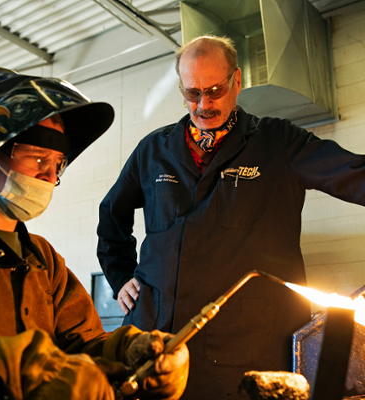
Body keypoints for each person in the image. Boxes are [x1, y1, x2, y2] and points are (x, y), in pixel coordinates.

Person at [97, 34, 365, 399]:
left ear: (237, 81)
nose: (203, 104)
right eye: (192, 93)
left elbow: (352, 174)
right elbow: (112, 214)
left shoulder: (277, 142)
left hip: (246, 348)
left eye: (215, 90)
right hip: (155, 338)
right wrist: (120, 273)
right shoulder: (154, 150)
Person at [0, 67, 189, 400]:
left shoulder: (43, 261)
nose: (49, 174)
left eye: (58, 163)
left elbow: (84, 344)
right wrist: (14, 370)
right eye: (38, 157)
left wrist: (130, 352)